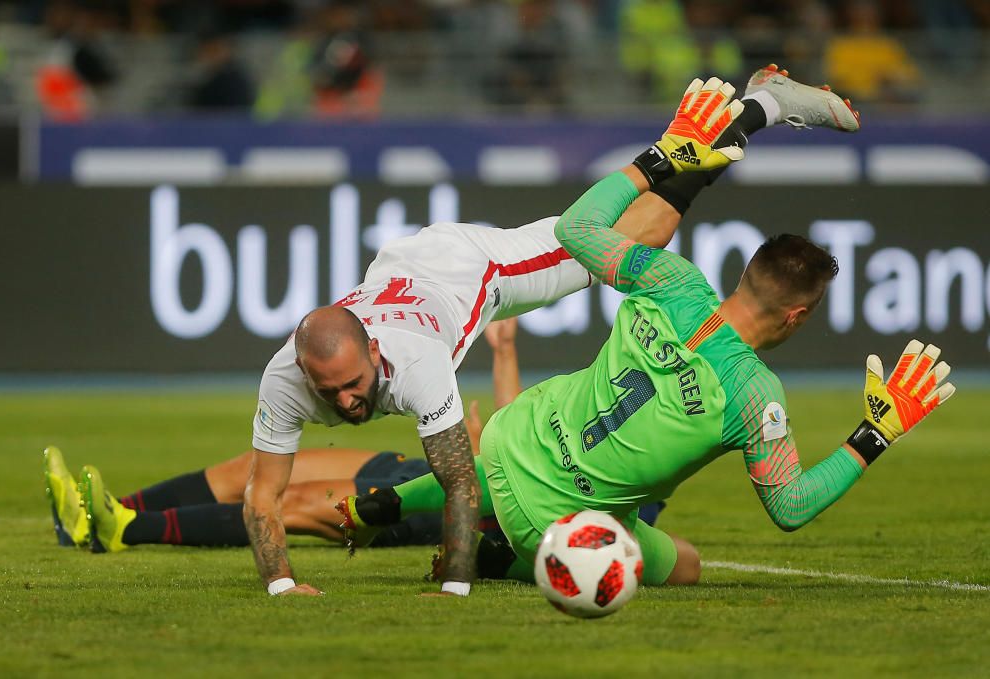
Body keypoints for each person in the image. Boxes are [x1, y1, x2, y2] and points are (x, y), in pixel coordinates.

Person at [337, 74, 953, 589]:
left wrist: (657, 157)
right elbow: (790, 509)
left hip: (511, 436)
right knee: (684, 566)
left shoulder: (672, 280)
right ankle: (502, 558)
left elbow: (577, 230)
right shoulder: (755, 397)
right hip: (557, 519)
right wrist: (874, 434)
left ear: (745, 274)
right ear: (798, 317)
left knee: (524, 455)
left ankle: (392, 501)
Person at [43, 320, 532, 550]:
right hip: (405, 468)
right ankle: (95, 511)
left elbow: (504, 488)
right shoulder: (552, 455)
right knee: (251, 473)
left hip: (415, 509)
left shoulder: (545, 509)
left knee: (291, 503)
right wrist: (505, 350)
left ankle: (125, 529)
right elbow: (511, 437)